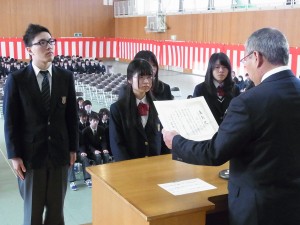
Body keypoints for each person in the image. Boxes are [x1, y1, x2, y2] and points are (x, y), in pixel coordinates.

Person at [162, 27, 300, 225]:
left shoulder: (248, 101)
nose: (245, 69)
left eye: (246, 61)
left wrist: (176, 141)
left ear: (257, 57)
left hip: (258, 210)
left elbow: (215, 152)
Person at [3, 24, 78, 225]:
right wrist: (14, 155)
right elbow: (10, 121)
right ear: (29, 50)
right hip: (30, 158)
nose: (49, 46)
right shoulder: (16, 80)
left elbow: (72, 116)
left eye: (51, 41)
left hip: (59, 154)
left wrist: (73, 148)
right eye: (42, 42)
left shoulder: (66, 77)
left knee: (56, 213)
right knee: (33, 214)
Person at [109, 59, 166, 161]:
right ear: (129, 79)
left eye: (149, 77)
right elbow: (117, 144)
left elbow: (164, 138)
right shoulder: (117, 109)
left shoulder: (159, 106)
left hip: (156, 165)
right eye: (141, 77)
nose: (146, 81)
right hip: (130, 167)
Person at [193, 52, 240, 125]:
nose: (221, 70)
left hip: (229, 131)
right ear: (210, 68)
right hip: (208, 133)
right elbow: (195, 114)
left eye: (224, 67)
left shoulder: (235, 89)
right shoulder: (200, 89)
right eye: (217, 67)